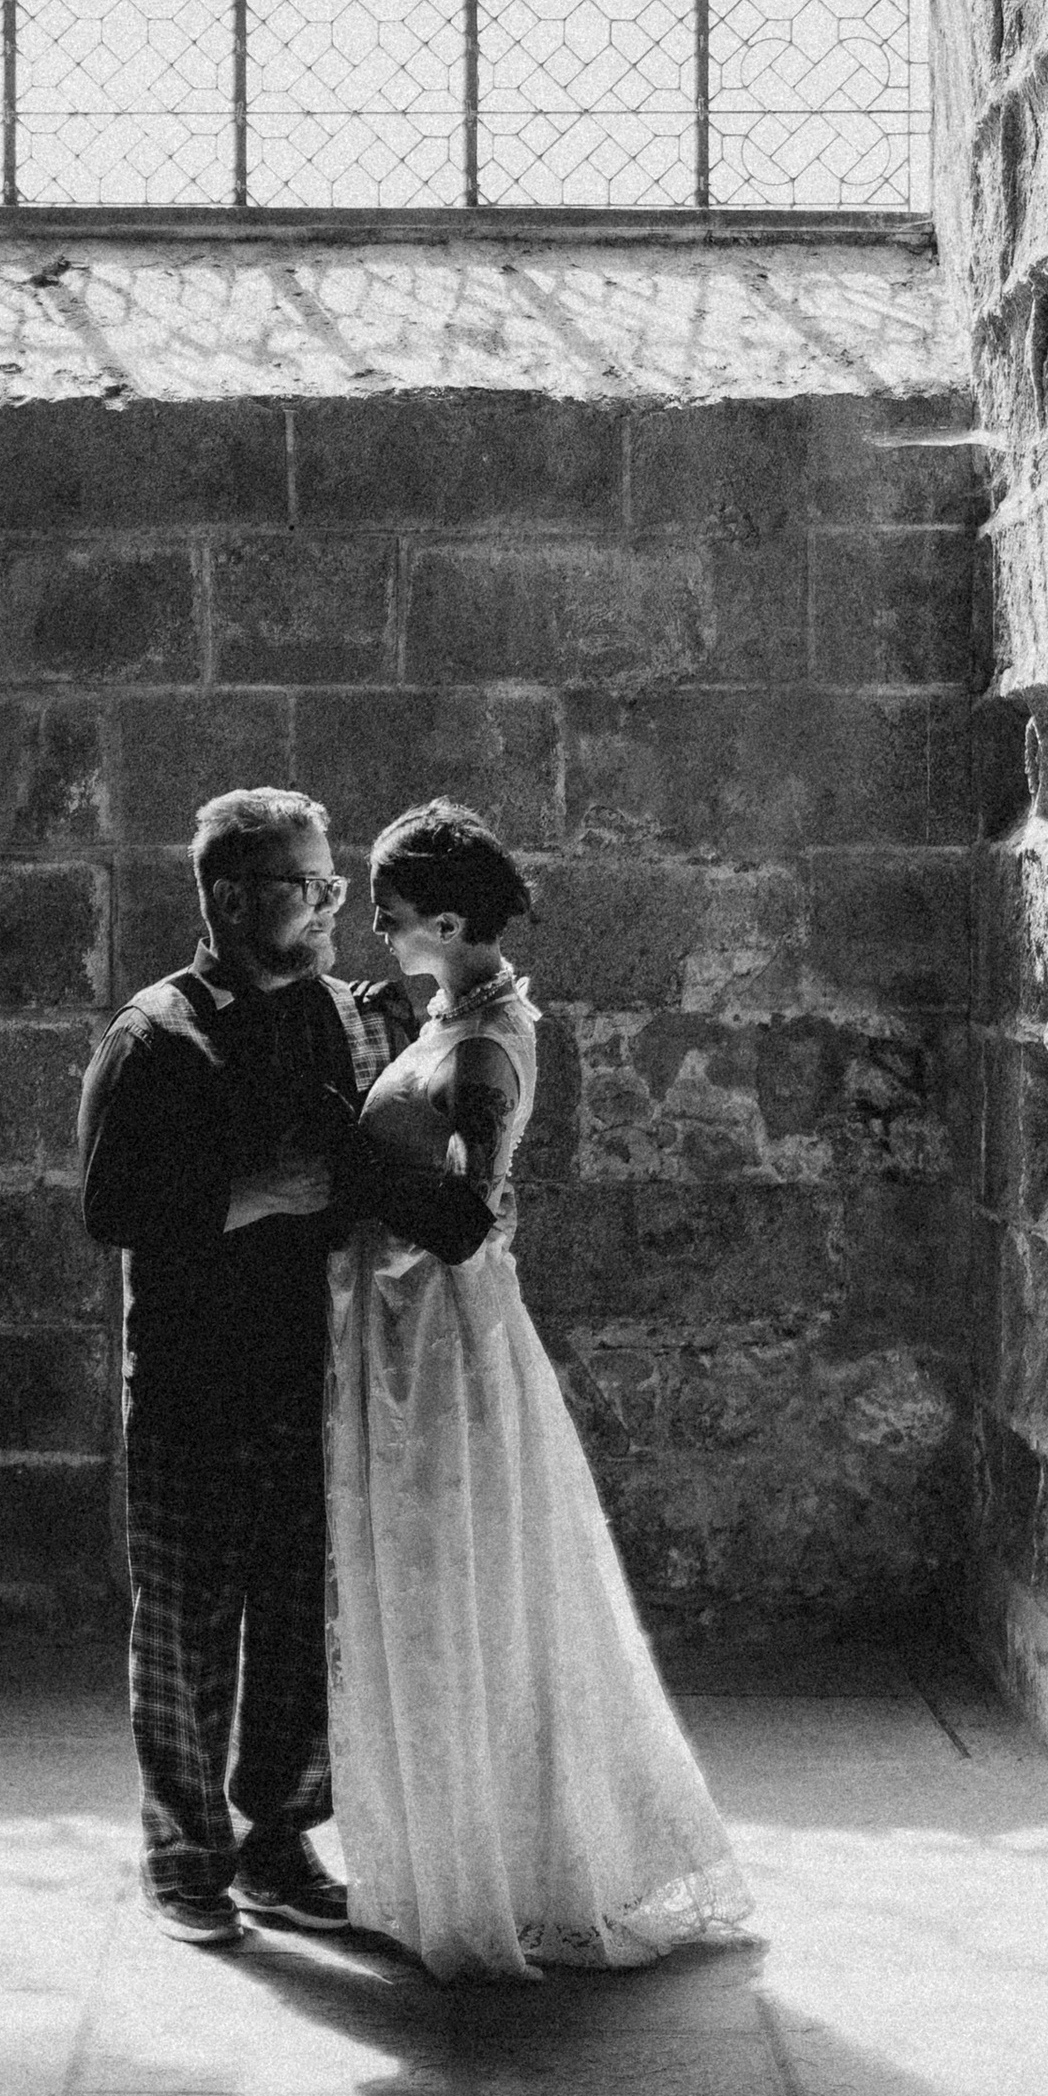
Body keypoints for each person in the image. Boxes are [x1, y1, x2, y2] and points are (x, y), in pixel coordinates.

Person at [328, 798, 752, 1980]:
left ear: (452, 922)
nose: (377, 931)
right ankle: (466, 1850)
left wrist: (346, 1157)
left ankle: (493, 1868)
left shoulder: (475, 1049)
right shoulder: (464, 1012)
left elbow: (464, 1216)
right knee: (443, 1579)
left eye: (394, 916)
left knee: (450, 1582)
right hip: (412, 1322)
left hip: (439, 1340)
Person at [76, 785, 493, 1948]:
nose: (327, 906)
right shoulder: (153, 1037)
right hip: (194, 1378)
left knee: (306, 1619)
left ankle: (277, 1841)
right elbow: (107, 1208)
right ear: (227, 896)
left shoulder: (345, 1014)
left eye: (329, 886)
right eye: (306, 888)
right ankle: (182, 1855)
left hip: (317, 1366)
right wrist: (255, 1193)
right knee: (188, 1627)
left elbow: (378, 1149)